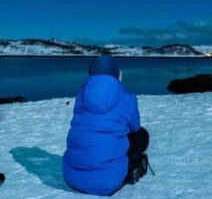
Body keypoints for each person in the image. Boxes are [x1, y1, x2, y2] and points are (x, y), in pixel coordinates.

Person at [62, 55, 150, 196]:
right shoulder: (126, 96)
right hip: (107, 183)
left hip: (71, 177)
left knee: (92, 135)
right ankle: (131, 166)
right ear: (117, 73)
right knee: (141, 135)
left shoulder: (82, 93)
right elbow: (135, 127)